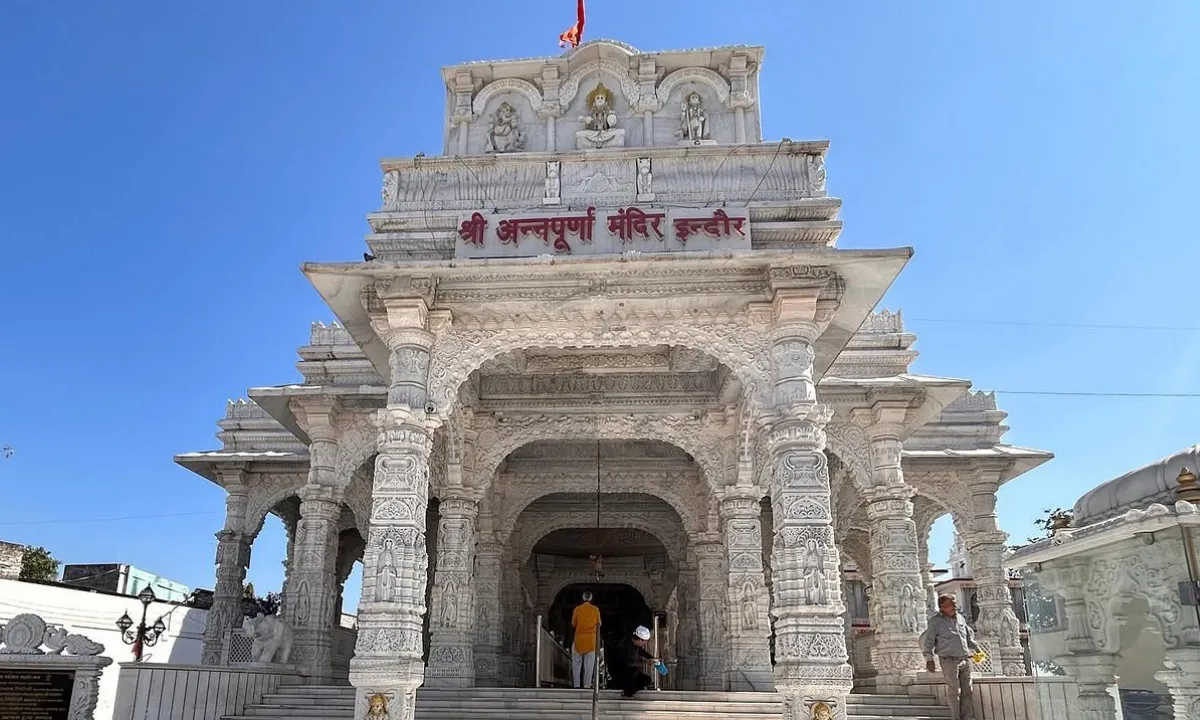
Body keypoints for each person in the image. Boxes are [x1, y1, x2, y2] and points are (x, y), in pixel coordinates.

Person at [919, 594, 981, 720]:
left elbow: (968, 638)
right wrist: (929, 659)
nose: (955, 606)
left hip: (965, 658)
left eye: (955, 603)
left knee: (968, 689)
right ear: (942, 607)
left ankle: (967, 717)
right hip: (949, 660)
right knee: (954, 690)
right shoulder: (935, 622)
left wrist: (978, 650)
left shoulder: (960, 619)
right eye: (952, 604)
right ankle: (956, 717)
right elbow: (929, 642)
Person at [614, 625, 657, 699]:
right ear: (639, 640)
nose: (644, 644)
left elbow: (641, 652)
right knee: (638, 679)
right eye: (644, 642)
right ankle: (627, 694)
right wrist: (646, 662)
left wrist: (652, 658)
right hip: (622, 672)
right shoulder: (625, 645)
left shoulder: (634, 644)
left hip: (630, 672)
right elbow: (629, 662)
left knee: (647, 680)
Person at [570, 591, 601, 688]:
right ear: (591, 599)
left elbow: (573, 624)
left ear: (583, 598)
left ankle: (576, 685)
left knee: (576, 664)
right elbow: (599, 624)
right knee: (589, 666)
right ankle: (587, 685)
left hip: (579, 639)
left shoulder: (577, 609)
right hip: (591, 641)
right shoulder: (595, 610)